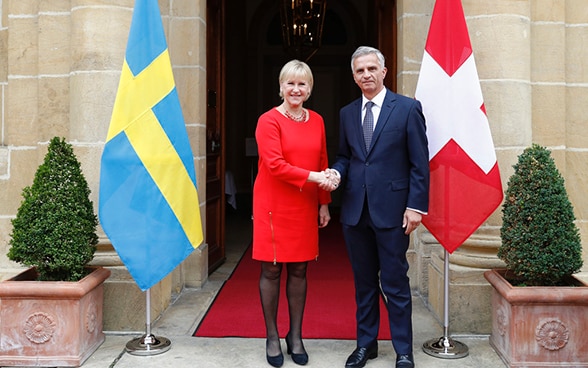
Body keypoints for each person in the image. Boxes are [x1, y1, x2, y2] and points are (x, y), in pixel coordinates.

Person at [327, 46, 430, 368]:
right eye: (360, 71)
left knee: (396, 284)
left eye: (372, 69)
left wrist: (416, 206)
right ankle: (366, 345)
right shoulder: (347, 113)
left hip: (394, 212)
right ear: (354, 76)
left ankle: (403, 350)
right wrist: (336, 172)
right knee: (365, 283)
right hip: (355, 211)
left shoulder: (407, 109)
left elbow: (419, 164)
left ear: (384, 72)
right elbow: (346, 156)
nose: (366, 75)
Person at [252, 59, 334, 367]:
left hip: (304, 204)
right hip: (273, 203)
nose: (295, 89)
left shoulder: (318, 121)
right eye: (290, 83)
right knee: (272, 269)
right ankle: (272, 336)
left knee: (300, 269)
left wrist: (324, 202)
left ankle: (295, 335)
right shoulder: (268, 120)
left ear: (310, 89)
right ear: (281, 86)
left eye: (302, 84)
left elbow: (323, 159)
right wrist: (315, 178)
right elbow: (274, 165)